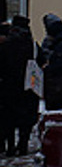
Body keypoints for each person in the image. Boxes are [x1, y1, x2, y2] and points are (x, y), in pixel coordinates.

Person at [0, 15, 29, 156]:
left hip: (8, 86)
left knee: (8, 119)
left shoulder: (6, 44)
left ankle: (10, 147)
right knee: (24, 119)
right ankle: (23, 146)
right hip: (26, 86)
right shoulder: (30, 43)